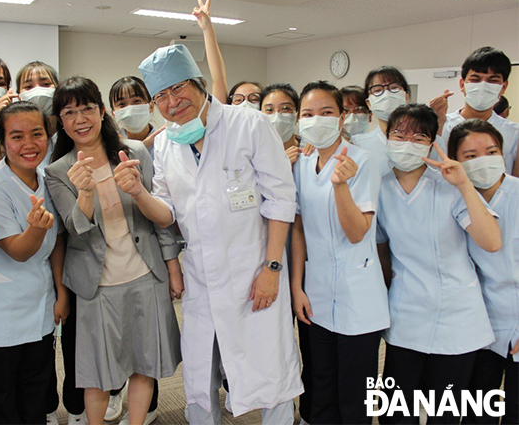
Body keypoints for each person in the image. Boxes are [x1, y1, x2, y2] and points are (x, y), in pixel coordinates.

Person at [137, 43, 302, 424]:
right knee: (198, 374)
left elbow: (280, 199)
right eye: (160, 95)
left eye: (178, 88)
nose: (172, 101)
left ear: (199, 83)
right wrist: (137, 193)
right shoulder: (165, 143)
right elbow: (167, 213)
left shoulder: (248, 124)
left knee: (269, 367)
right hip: (201, 278)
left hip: (255, 270)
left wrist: (272, 268)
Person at [45, 76, 182, 425]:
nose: (80, 119)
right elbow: (75, 227)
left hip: (145, 276)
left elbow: (161, 219)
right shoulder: (58, 172)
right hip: (97, 286)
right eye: (70, 112)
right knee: (97, 372)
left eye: (87, 108)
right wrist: (86, 192)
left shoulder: (133, 152)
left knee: (144, 363)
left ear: (101, 111)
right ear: (61, 121)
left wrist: (172, 269)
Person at [376, 104, 501, 424]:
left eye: (419, 136)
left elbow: (491, 242)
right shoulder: (380, 187)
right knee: (395, 412)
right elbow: (381, 250)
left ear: (433, 142)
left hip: (457, 316)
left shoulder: (449, 185)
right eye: (399, 134)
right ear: (386, 137)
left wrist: (463, 185)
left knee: (444, 412)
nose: (407, 142)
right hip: (406, 313)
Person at [0, 101, 70, 424]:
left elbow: (58, 242)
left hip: (39, 303)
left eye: (37, 134)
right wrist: (36, 229)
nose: (28, 145)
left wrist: (61, 292)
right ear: (2, 141)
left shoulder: (45, 178)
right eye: (17, 136)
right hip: (1, 312)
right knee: (2, 393)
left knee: (36, 386)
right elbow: (18, 250)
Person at [291, 81, 389, 425]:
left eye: (326, 112)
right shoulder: (302, 163)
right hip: (315, 292)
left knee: (355, 392)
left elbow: (357, 231)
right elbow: (299, 227)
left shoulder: (362, 160)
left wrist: (340, 186)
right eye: (308, 114)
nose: (316, 120)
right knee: (320, 381)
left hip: (357, 296)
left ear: (342, 116)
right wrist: (296, 287)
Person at [447, 119, 518, 424]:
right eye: (471, 156)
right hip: (479, 321)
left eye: (491, 152)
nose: (484, 161)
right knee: (477, 407)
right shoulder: (455, 198)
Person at [430, 47, 519, 176]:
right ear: (462, 84)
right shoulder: (442, 125)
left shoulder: (514, 133)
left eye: (492, 80)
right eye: (476, 79)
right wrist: (434, 122)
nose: (483, 85)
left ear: (503, 87)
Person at [362, 67, 411, 177]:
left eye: (394, 88)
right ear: (369, 103)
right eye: (378, 90)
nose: (387, 95)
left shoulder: (428, 142)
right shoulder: (359, 144)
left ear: (406, 97)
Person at [260, 83, 303, 165]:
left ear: (297, 115)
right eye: (269, 109)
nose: (277, 117)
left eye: (285, 108)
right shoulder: (254, 154)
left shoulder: (309, 150)